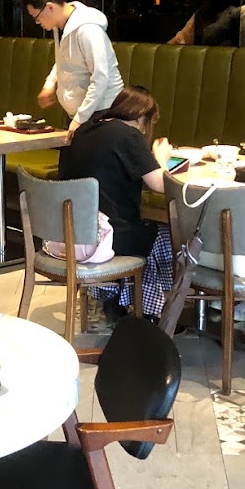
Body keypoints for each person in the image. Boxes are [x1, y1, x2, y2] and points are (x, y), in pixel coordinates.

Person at [58, 86, 176, 321]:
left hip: (71, 235)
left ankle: (110, 300)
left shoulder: (84, 130)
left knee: (143, 228)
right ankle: (151, 312)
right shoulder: (128, 135)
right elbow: (161, 185)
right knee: (167, 235)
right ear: (142, 118)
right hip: (108, 238)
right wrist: (161, 158)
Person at [24, 0, 124, 131]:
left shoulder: (88, 29)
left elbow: (101, 77)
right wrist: (50, 84)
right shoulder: (60, 26)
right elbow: (65, 60)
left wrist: (79, 119)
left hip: (102, 112)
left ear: (50, 7)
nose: (37, 22)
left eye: (36, 17)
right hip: (81, 113)